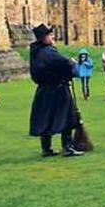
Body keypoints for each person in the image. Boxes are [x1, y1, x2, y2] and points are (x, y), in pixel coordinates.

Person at [28, 24, 82, 157]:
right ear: (44, 38)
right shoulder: (47, 52)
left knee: (46, 117)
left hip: (44, 90)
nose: (53, 37)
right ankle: (67, 147)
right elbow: (64, 63)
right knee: (68, 117)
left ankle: (46, 148)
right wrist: (72, 63)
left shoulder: (37, 52)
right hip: (57, 89)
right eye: (50, 35)